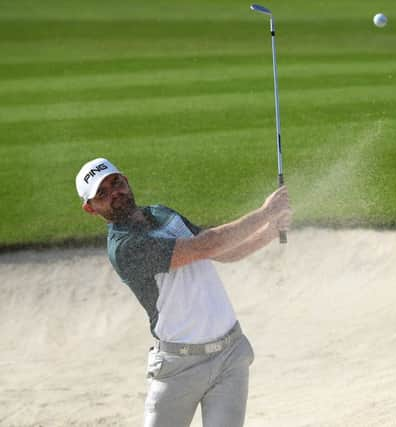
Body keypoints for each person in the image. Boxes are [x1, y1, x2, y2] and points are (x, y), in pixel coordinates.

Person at [75, 157, 292, 427]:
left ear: (126, 181)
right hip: (179, 367)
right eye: (102, 193)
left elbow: (220, 251)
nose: (114, 193)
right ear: (90, 208)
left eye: (116, 182)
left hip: (230, 355)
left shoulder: (163, 213)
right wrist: (265, 212)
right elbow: (204, 247)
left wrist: (270, 231)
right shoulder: (124, 248)